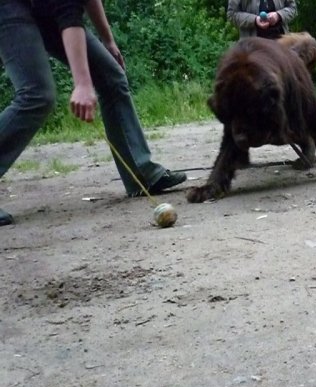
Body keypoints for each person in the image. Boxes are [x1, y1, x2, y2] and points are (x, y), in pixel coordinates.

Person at [0, 0, 186, 227]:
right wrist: (82, 83)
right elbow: (67, 10)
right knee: (37, 94)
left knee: (111, 77)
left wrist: (108, 39)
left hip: (42, 6)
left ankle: (142, 175)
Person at [227, 0, 297, 39]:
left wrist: (278, 15)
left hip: (281, 42)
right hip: (252, 47)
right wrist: (254, 20)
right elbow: (232, 14)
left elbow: (292, 8)